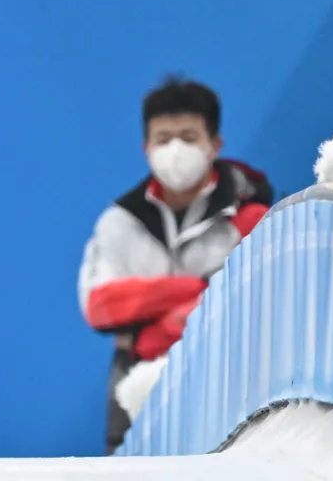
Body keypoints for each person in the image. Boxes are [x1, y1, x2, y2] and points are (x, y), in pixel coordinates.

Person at [76, 77, 274, 454]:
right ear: (146, 147)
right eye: (163, 139)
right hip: (134, 374)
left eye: (188, 136)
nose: (176, 149)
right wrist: (201, 288)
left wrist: (157, 318)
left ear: (214, 145)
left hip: (232, 376)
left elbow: (256, 305)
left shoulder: (252, 219)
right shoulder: (119, 221)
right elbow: (99, 305)